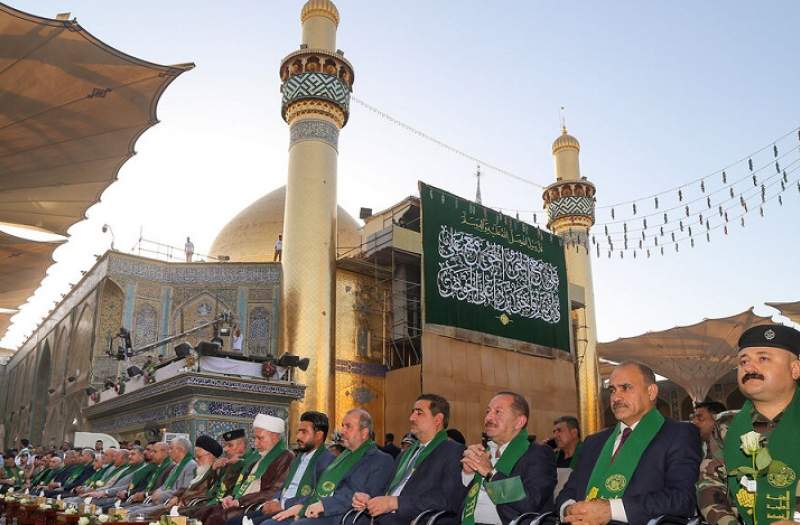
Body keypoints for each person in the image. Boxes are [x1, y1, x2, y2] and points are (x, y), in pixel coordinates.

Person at [558, 362, 701, 525]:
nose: (616, 398)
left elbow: (681, 499)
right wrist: (570, 510)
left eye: (625, 388)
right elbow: (567, 492)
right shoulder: (594, 442)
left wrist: (610, 510)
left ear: (651, 391)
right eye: (612, 390)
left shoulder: (678, 435)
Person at [697, 324, 800, 525]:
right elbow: (709, 486)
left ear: (795, 369)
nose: (749, 368)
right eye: (743, 361)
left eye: (763, 359)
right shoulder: (726, 425)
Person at [266, 408, 394, 525]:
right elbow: (318, 491)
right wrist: (300, 507)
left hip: (345, 517)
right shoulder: (341, 458)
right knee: (270, 523)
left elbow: (364, 497)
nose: (342, 431)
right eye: (343, 426)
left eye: (348, 426)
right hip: (320, 511)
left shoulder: (381, 460)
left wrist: (323, 505)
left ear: (364, 433)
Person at [353, 394, 466, 525]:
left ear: (438, 419)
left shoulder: (453, 451)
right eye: (412, 412)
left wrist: (396, 503)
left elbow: (447, 500)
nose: (411, 418)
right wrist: (369, 500)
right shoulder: (405, 455)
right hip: (382, 519)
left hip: (413, 519)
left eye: (419, 413)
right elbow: (390, 491)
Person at [461, 391, 557, 525]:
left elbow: (531, 502)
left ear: (519, 422)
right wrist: (468, 474)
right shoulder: (484, 451)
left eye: (498, 412)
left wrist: (490, 474)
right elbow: (454, 502)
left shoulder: (538, 454)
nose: (488, 417)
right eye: (487, 411)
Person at [226, 411, 335, 525]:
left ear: (319, 435)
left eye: (304, 432)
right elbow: (283, 487)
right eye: (298, 432)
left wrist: (283, 504)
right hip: (278, 506)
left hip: (298, 511)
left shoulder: (327, 461)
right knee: (234, 522)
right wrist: (274, 500)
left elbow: (317, 496)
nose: (298, 436)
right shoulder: (299, 458)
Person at [204, 414, 294, 525]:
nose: (256, 443)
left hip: (256, 505)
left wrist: (240, 501)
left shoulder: (285, 457)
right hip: (242, 502)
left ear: (275, 436)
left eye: (260, 438)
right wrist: (231, 496)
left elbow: (273, 491)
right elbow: (242, 483)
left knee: (220, 518)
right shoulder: (257, 456)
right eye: (254, 438)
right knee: (205, 513)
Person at [126, 437, 197, 515]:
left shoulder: (191, 465)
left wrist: (161, 494)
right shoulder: (176, 466)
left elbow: (184, 490)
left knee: (134, 513)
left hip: (170, 504)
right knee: (128, 510)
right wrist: (158, 491)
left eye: (171, 448)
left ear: (180, 450)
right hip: (159, 501)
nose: (169, 452)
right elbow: (165, 486)